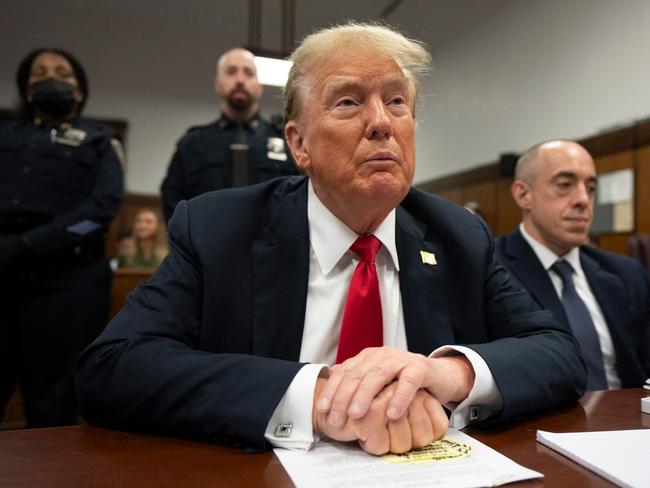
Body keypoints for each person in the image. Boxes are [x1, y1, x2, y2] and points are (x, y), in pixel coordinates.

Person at [76, 23, 585, 455]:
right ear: (298, 143)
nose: (381, 123)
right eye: (348, 102)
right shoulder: (218, 228)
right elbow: (112, 368)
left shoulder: (457, 235)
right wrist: (321, 399)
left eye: (397, 102)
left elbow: (557, 352)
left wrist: (447, 374)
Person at [0, 48, 123, 427]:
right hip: (2, 272)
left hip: (67, 281)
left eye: (61, 72)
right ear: (26, 88)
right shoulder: (6, 134)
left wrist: (30, 244)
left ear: (80, 90)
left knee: (54, 400)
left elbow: (101, 211)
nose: (50, 77)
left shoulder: (99, 141)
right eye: (39, 72)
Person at [495, 140, 650, 390]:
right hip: (536, 423)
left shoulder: (627, 273)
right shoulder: (490, 268)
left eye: (590, 188)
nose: (583, 200)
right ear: (524, 195)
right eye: (565, 185)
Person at [160, 47, 296, 223]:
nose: (240, 80)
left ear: (258, 87)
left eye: (248, 73)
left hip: (273, 246)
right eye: (231, 72)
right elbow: (172, 200)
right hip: (207, 246)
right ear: (218, 84)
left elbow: (299, 198)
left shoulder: (286, 142)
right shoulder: (193, 144)